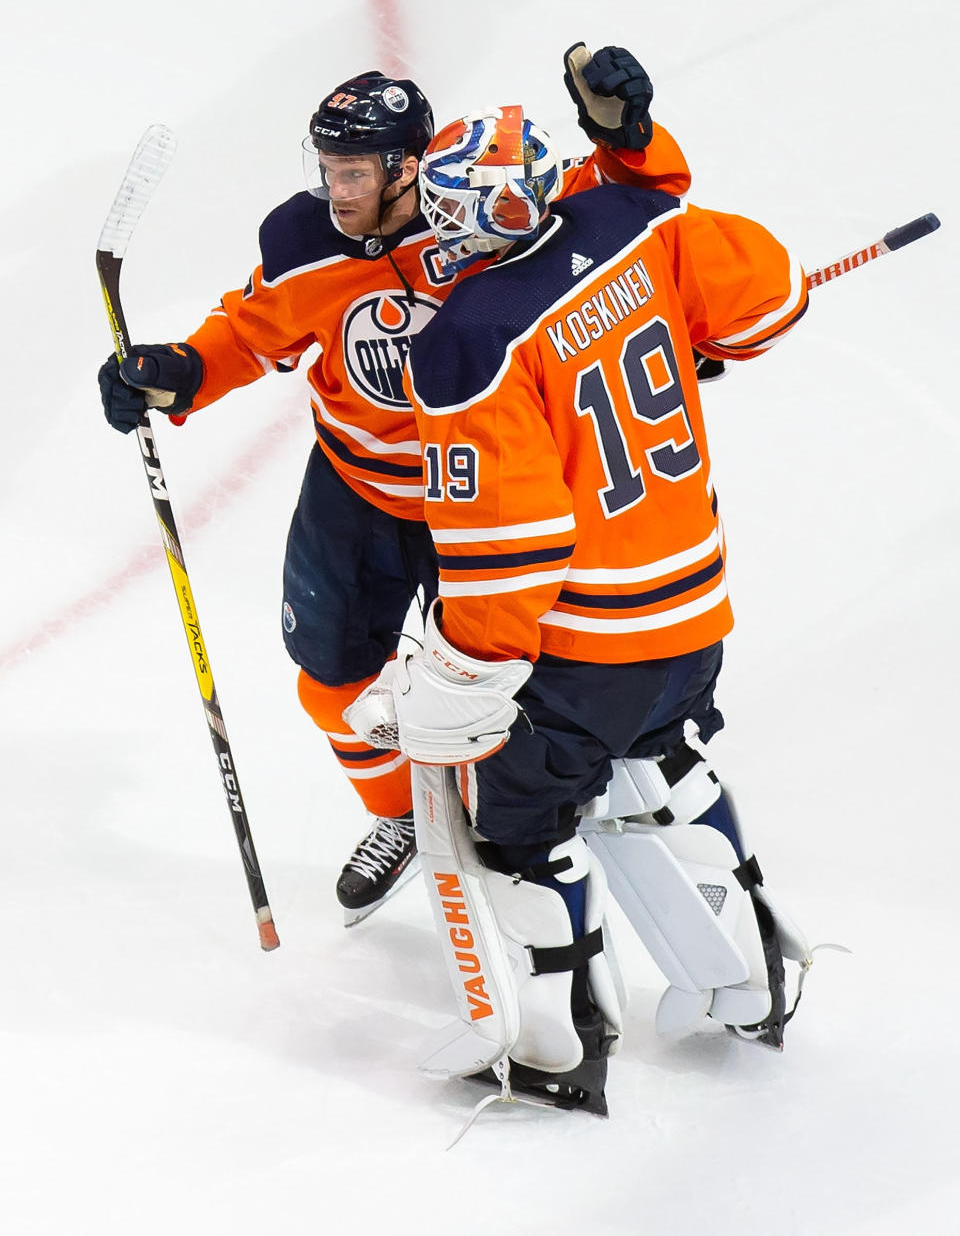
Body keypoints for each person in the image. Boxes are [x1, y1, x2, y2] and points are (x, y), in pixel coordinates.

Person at [97, 46, 695, 924]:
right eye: (327, 168)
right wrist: (184, 369)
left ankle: (532, 827)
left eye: (352, 171)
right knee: (331, 679)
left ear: (409, 164)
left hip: (487, 501)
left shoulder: (480, 201)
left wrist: (632, 139)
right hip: (356, 496)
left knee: (523, 689)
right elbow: (257, 326)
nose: (335, 190)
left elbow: (632, 213)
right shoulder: (303, 240)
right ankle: (400, 818)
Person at [347, 102, 812, 1114]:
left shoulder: (468, 339)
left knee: (516, 829)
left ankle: (557, 1051)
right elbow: (769, 301)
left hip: (583, 648)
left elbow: (511, 540)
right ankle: (752, 983)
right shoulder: (630, 224)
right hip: (691, 613)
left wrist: (464, 670)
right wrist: (640, 153)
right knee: (669, 766)